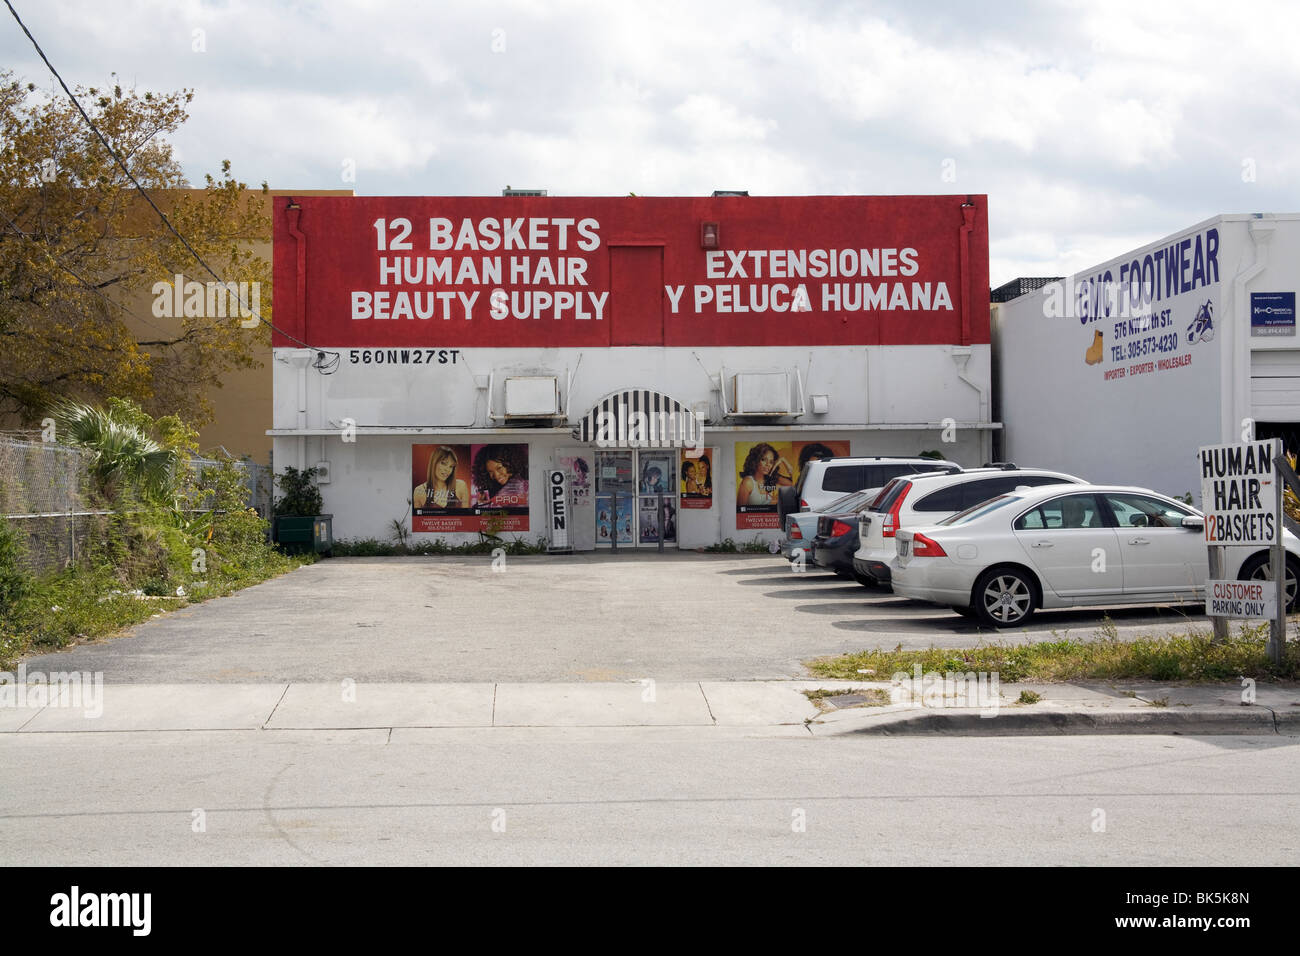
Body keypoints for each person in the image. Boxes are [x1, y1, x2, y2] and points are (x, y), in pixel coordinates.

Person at [413, 446, 469, 510]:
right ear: (434, 463)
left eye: (451, 466)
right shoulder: (419, 491)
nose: (447, 470)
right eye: (443, 463)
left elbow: (467, 516)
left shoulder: (461, 486)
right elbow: (416, 516)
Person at [737, 443, 790, 507]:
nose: (768, 464)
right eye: (763, 460)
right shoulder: (748, 482)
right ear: (756, 460)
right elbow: (741, 511)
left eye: (771, 462)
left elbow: (791, 485)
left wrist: (783, 460)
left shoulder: (770, 480)